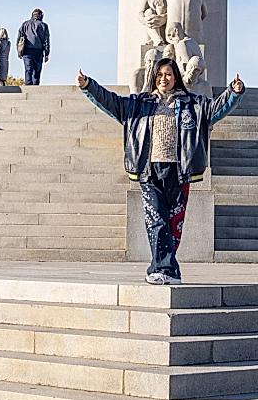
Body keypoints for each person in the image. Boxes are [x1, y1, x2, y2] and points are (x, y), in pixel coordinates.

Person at [77, 59, 243, 285]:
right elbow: (111, 102)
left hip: (179, 169)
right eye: (160, 74)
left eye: (168, 74)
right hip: (148, 169)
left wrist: (233, 93)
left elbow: (215, 110)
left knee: (174, 222)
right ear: (153, 77)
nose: (164, 78)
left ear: (176, 77)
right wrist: (89, 86)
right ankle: (161, 268)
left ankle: (167, 270)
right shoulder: (139, 104)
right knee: (156, 219)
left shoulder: (192, 104)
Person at [17, 9, 51, 86]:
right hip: (38, 51)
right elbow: (46, 40)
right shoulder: (44, 25)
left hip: (26, 50)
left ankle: (28, 86)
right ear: (41, 15)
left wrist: (19, 51)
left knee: (28, 69)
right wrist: (47, 53)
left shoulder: (25, 24)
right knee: (37, 71)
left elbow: (19, 39)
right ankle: (35, 87)